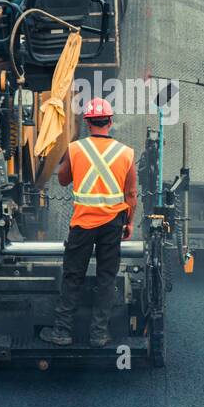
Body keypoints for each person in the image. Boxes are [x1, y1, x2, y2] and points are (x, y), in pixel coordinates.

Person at [40, 98, 138, 347]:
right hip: (113, 223)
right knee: (106, 277)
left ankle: (62, 332)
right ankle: (99, 334)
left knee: (73, 276)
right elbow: (131, 195)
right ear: (110, 121)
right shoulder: (126, 153)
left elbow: (62, 180)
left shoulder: (75, 149)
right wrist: (129, 222)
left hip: (82, 223)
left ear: (87, 122)